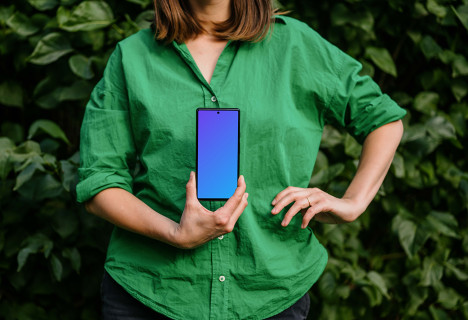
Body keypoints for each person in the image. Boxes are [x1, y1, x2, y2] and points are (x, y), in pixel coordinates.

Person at [76, 0, 406, 318]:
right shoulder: (131, 57)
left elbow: (383, 120)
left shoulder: (296, 45)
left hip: (270, 294)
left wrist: (353, 202)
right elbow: (100, 182)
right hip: (151, 293)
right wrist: (174, 232)